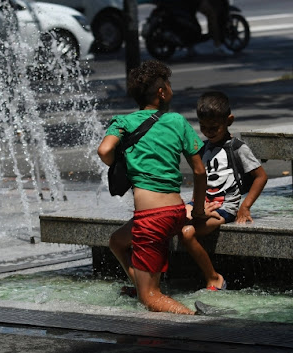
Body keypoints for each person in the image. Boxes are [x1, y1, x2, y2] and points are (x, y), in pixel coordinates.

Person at [97, 60, 208, 315]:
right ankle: (142, 285)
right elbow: (200, 171)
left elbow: (104, 150)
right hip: (175, 213)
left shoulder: (123, 123)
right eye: (168, 84)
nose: (170, 89)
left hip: (152, 219)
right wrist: (198, 209)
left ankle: (194, 318)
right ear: (161, 91)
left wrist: (121, 160)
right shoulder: (177, 122)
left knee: (150, 300)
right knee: (117, 241)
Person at [180, 90, 268, 290]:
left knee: (186, 233)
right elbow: (200, 180)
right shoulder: (203, 148)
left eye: (214, 128)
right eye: (203, 127)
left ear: (229, 121)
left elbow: (261, 177)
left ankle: (214, 278)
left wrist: (245, 206)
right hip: (201, 204)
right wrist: (195, 204)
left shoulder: (237, 148)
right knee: (167, 221)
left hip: (223, 208)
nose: (209, 132)